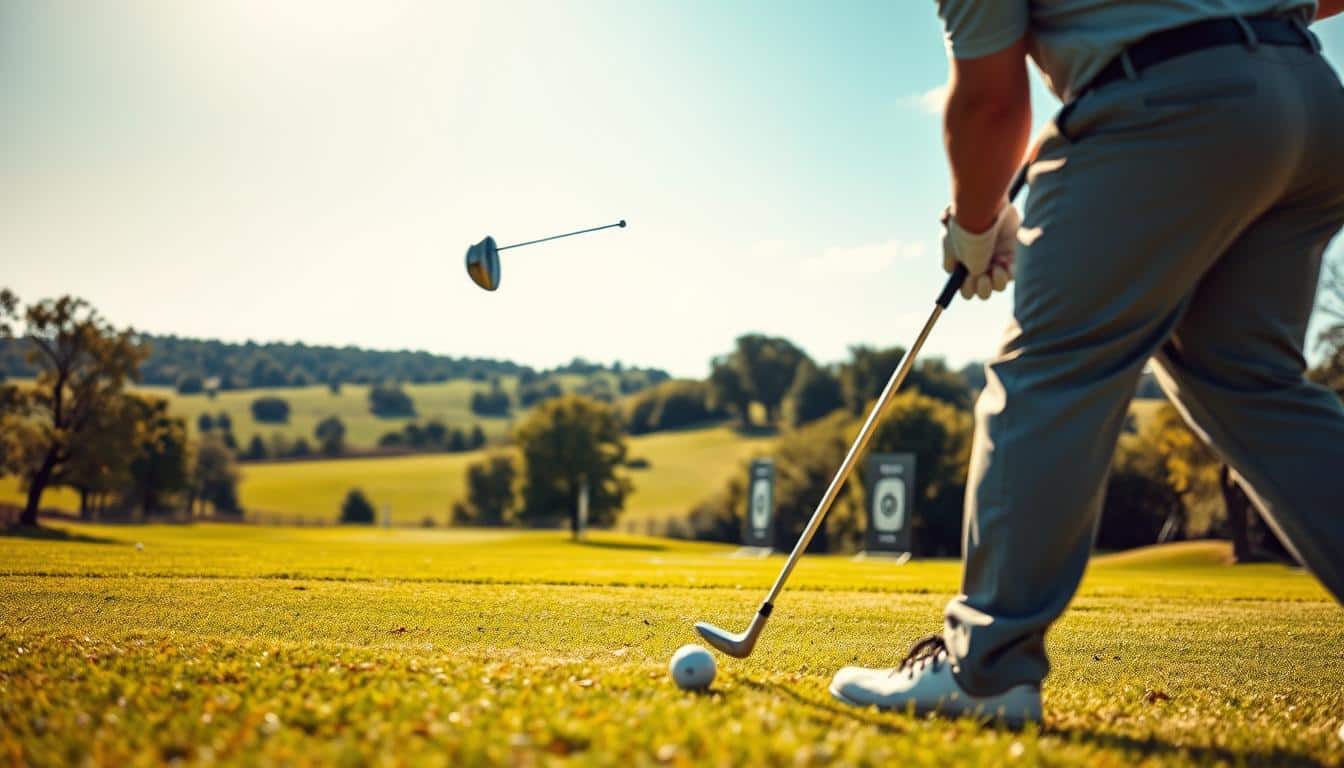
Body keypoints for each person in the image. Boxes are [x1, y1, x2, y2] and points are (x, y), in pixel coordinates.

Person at [829, 0, 1344, 725]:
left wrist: (974, 227)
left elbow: (990, 102)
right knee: (1250, 384)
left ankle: (988, 666)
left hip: (1168, 107)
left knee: (1051, 368)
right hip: (1311, 106)